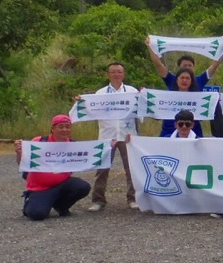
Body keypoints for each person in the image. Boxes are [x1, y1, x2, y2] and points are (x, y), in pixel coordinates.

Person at [14, 115, 92, 220]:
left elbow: (91, 160)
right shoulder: (39, 142)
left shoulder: (74, 145)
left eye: (67, 127)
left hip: (62, 184)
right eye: (61, 127)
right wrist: (19, 153)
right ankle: (31, 201)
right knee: (37, 215)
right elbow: (23, 164)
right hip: (40, 188)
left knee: (83, 187)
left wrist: (109, 147)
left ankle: (61, 206)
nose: (65, 130)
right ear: (53, 128)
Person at [87, 62, 139, 212]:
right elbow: (90, 110)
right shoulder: (100, 93)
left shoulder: (132, 91)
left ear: (124, 74)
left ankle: (133, 198)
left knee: (131, 168)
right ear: (108, 74)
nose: (116, 74)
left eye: (119, 72)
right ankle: (98, 200)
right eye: (113, 72)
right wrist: (81, 103)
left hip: (127, 134)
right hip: (106, 134)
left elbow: (141, 108)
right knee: (102, 169)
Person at [155, 68, 207, 137]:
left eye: (187, 78)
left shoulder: (199, 98)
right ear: (177, 80)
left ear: (191, 81)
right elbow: (157, 116)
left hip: (193, 135)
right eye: (182, 78)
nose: (184, 80)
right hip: (168, 134)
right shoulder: (166, 97)